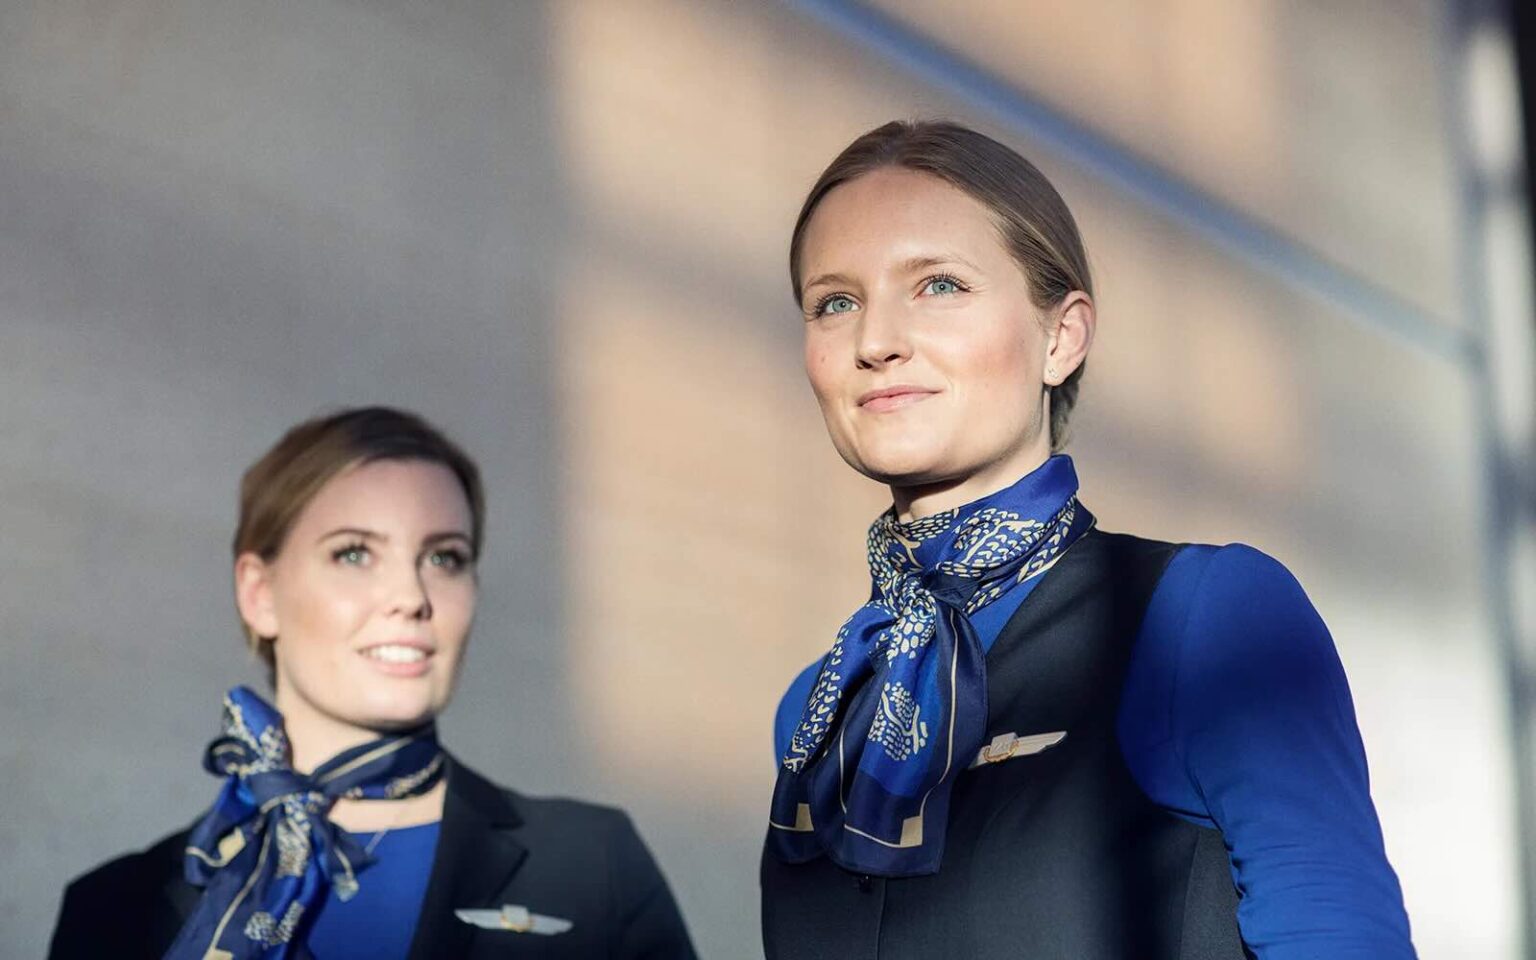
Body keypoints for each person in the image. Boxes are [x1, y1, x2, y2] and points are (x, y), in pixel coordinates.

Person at [761, 120, 1415, 959]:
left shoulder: (1200, 617)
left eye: (939, 285)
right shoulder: (820, 707)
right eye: (835, 302)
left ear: (1061, 337)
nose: (876, 342)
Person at [50, 406, 696, 960]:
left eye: (444, 557)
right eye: (354, 553)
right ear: (260, 594)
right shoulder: (114, 908)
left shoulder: (592, 864)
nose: (411, 596)